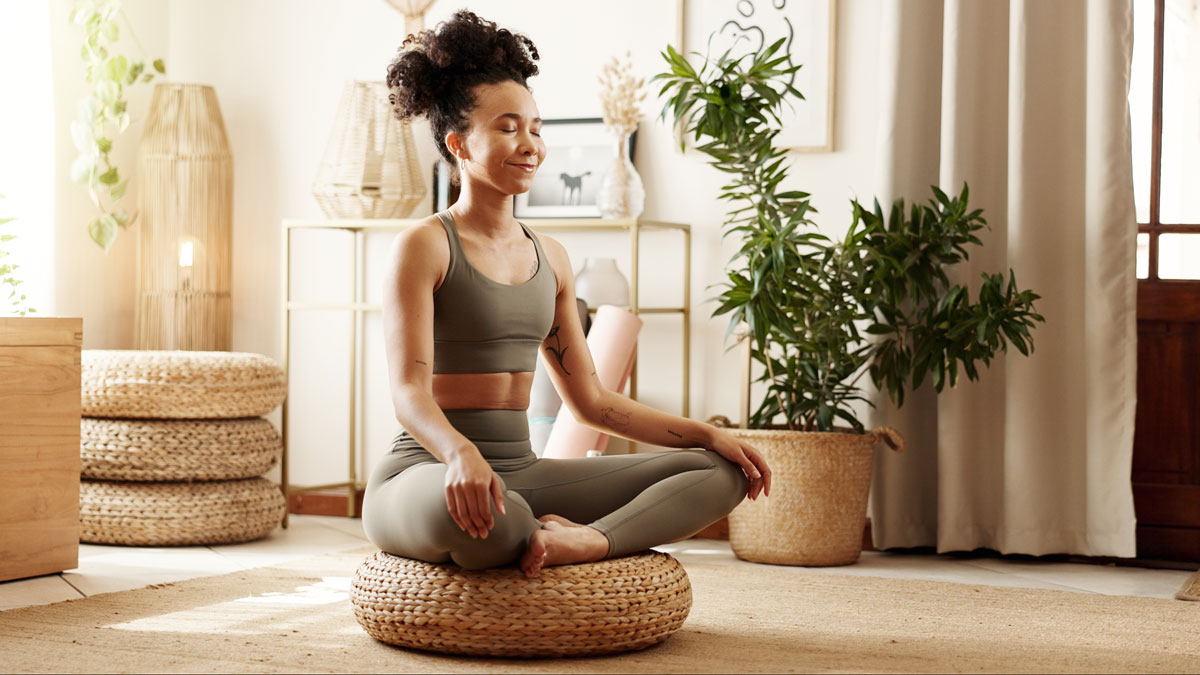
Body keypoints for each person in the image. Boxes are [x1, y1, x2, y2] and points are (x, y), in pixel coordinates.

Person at [362, 9, 771, 578]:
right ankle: (533, 529)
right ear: (458, 144)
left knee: (719, 472)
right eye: (507, 127)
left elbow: (592, 404)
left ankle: (588, 543)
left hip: (524, 471)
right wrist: (461, 454)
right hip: (425, 472)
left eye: (535, 127)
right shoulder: (423, 246)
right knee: (497, 522)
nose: (529, 144)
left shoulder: (550, 257)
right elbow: (408, 393)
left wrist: (707, 432)